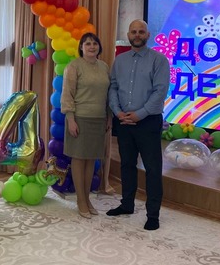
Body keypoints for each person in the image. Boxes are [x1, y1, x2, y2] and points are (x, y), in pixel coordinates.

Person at [107, 19, 170, 231]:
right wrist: (118, 112)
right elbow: (113, 87)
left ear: (148, 35)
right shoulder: (119, 61)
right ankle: (127, 205)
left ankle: (153, 214)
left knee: (152, 169)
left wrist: (139, 115)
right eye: (133, 31)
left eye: (141, 32)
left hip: (148, 122)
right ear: (128, 34)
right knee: (127, 165)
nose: (137, 35)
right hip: (124, 121)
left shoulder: (159, 60)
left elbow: (160, 92)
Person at [60, 32, 111, 219]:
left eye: (94, 43)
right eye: (87, 43)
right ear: (81, 47)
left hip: (99, 119)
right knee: (79, 159)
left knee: (91, 160)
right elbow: (67, 94)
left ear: (99, 47)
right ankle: (80, 200)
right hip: (79, 118)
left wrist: (109, 117)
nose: (91, 46)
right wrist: (70, 119)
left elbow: (108, 95)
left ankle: (87, 199)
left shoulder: (104, 67)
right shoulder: (74, 66)